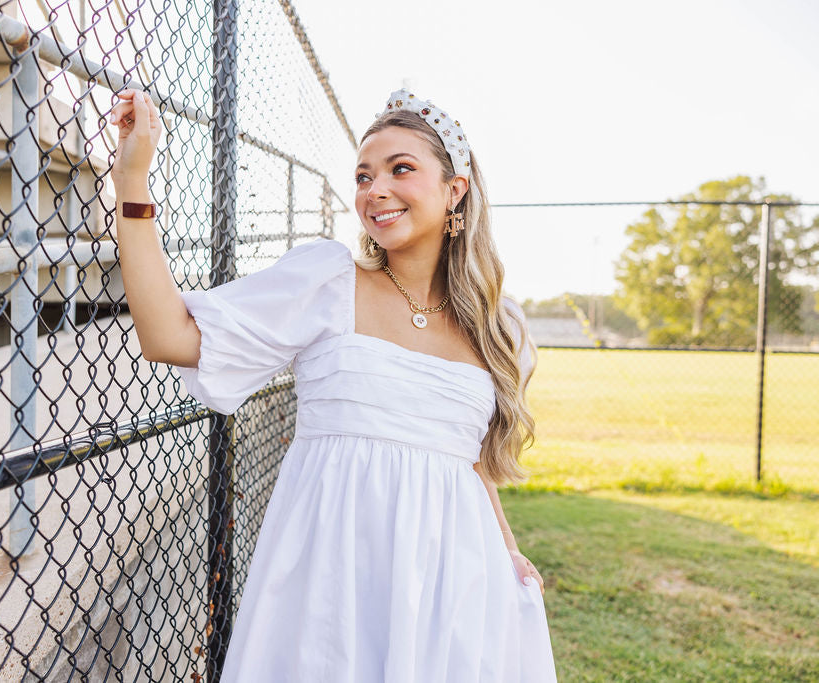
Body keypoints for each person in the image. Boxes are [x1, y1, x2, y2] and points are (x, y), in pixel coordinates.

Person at [109, 87, 556, 682]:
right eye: (364, 176)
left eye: (401, 170)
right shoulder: (327, 280)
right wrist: (132, 184)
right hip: (332, 574)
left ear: (456, 190)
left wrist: (508, 548)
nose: (375, 190)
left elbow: (467, 458)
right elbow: (168, 337)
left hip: (453, 579)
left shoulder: (495, 324)